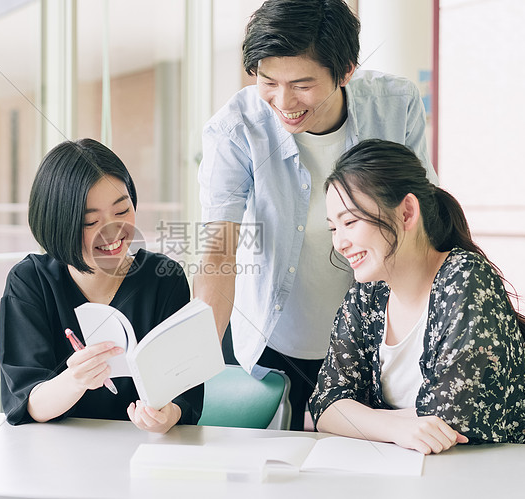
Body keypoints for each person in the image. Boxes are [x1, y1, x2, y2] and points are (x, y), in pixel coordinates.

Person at [194, 0, 438, 431]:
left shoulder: (395, 105)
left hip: (373, 340)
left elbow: (422, 222)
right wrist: (189, 370)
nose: (283, 101)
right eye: (267, 82)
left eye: (302, 85)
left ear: (345, 71)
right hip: (275, 341)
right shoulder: (237, 128)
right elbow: (220, 249)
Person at [310, 139, 525, 454]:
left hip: (499, 476)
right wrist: (397, 427)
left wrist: (366, 419)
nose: (340, 243)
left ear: (407, 212)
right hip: (409, 473)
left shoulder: (465, 278)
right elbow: (327, 405)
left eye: (350, 222)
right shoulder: (366, 296)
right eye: (333, 228)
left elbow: (448, 421)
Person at [0, 138, 202, 433]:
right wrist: (76, 379)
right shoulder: (30, 282)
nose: (114, 231)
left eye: (122, 212)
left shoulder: (164, 278)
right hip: (56, 455)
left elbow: (185, 394)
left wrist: (166, 416)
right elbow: (27, 402)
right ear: (59, 224)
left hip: (143, 454)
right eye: (90, 221)